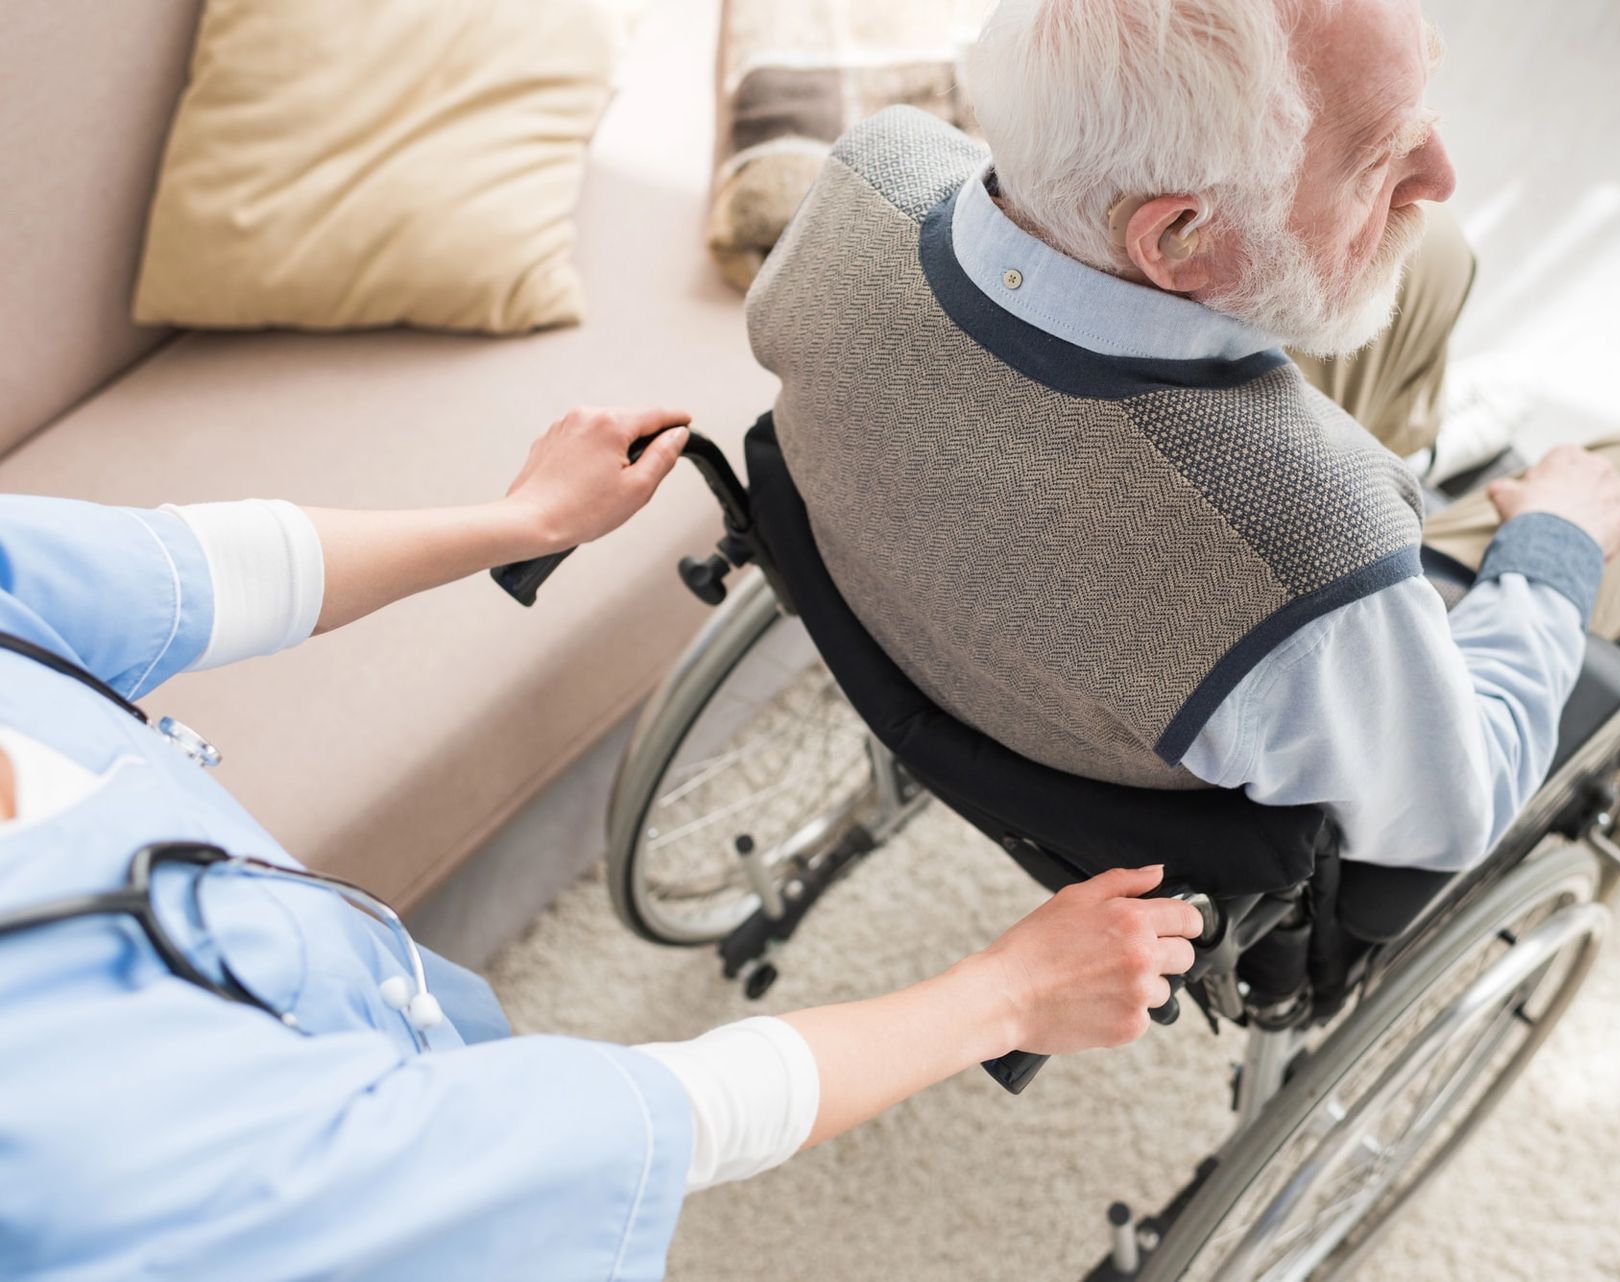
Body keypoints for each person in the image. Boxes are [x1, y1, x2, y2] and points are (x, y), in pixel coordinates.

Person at [0, 405, 1203, 1281]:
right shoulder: (119, 1127)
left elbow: (178, 571)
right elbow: (649, 1118)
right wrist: (1003, 995)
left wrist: (517, 519)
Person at [744, 0, 1620, 874]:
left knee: (1430, 258)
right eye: (1384, 155)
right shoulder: (1305, 543)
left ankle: (1416, 446)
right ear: (1176, 236)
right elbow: (1454, 806)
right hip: (1221, 645)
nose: (1443, 171)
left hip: (968, 563)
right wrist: (1553, 545)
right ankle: (1450, 507)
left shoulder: (875, 168)